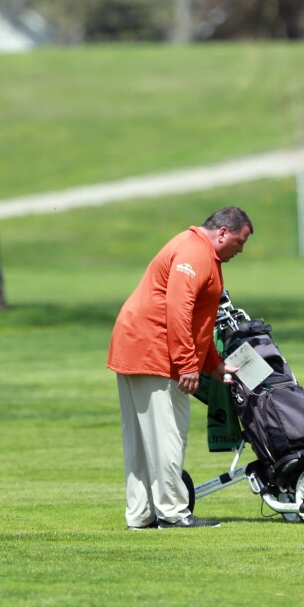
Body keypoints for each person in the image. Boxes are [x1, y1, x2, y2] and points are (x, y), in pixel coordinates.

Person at [107, 206, 253, 530]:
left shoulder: (196, 251)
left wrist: (213, 363)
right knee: (166, 435)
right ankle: (173, 513)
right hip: (154, 351)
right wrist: (188, 364)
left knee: (143, 439)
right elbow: (178, 309)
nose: (240, 251)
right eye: (240, 242)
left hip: (136, 345)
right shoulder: (195, 253)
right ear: (224, 233)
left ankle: (142, 515)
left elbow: (199, 319)